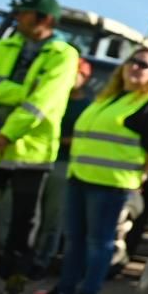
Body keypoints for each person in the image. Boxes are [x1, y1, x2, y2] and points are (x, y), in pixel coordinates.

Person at [51, 45, 148, 294]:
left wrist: (139, 175)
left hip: (112, 185)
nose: (135, 67)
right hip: (80, 178)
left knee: (99, 244)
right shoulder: (110, 98)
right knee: (74, 241)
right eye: (133, 61)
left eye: (144, 64)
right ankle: (65, 292)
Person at [0, 0, 82, 294]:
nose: (18, 17)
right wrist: (20, 90)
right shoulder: (1, 47)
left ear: (43, 19)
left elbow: (42, 101)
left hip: (31, 149)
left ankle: (15, 277)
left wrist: (5, 134)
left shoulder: (64, 55)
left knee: (24, 219)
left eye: (24, 13)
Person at [29, 57, 94, 280]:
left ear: (85, 78)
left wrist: (57, 139)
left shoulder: (87, 107)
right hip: (37, 158)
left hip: (64, 164)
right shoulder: (53, 97)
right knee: (30, 214)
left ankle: (41, 261)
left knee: (52, 218)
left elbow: (81, 138)